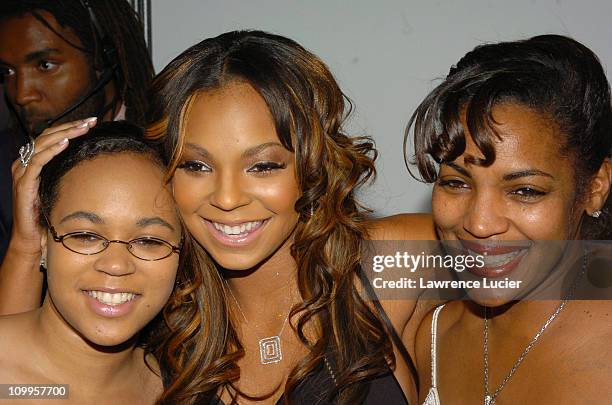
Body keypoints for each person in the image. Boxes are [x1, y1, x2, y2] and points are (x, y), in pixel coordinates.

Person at [145, 30, 439, 404]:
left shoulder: (392, 265)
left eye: (264, 166)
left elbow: (533, 267)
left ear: (314, 164)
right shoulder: (154, 319)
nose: (228, 198)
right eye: (196, 165)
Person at [407, 35, 612, 404]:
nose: (480, 224)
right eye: (456, 182)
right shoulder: (434, 337)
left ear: (594, 188)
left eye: (525, 191)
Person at [0, 121, 217, 403]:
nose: (115, 265)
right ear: (42, 238)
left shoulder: (185, 388)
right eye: (85, 235)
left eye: (149, 241)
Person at [0, 0, 154, 264]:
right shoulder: (7, 166)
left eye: (45, 65)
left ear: (106, 57)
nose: (21, 93)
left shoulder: (169, 149)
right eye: (8, 72)